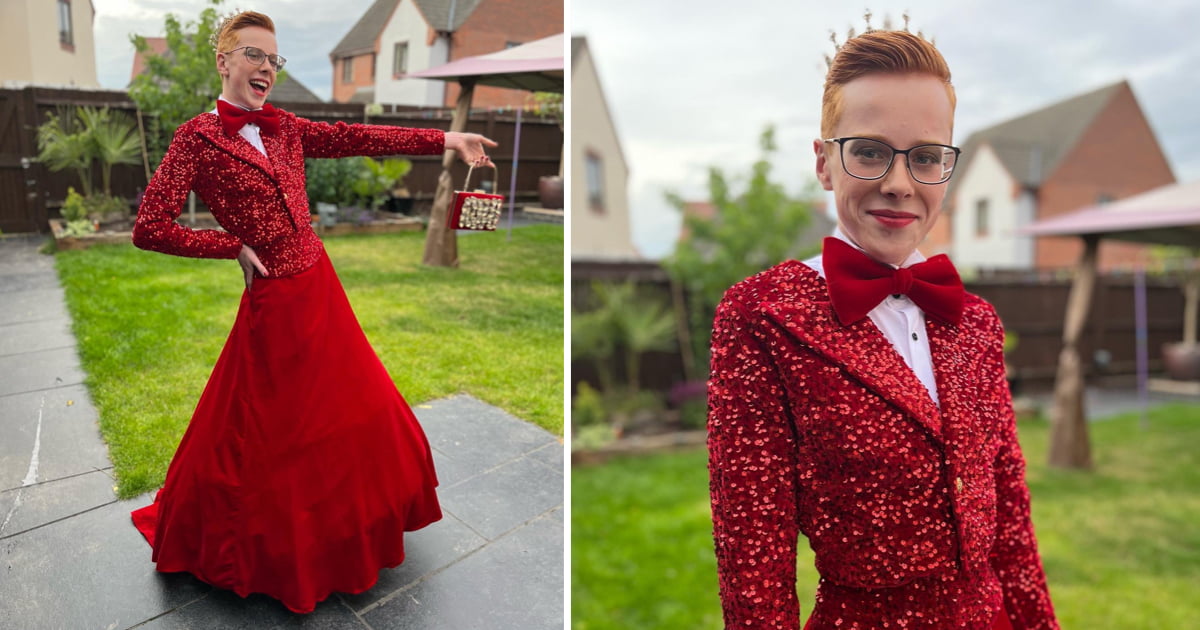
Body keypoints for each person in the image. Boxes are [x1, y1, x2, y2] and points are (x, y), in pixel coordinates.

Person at [129, 10, 496, 614]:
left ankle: (347, 533)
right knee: (277, 433)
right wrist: (230, 245)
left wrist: (447, 139)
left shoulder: (285, 129)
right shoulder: (195, 139)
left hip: (321, 285)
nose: (266, 69)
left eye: (274, 60)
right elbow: (149, 226)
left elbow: (361, 137)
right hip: (274, 301)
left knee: (357, 408)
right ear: (224, 61)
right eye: (254, 56)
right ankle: (279, 551)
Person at [706, 26, 1060, 630]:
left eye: (925, 157)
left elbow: (1010, 521)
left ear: (947, 170)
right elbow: (753, 553)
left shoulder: (975, 322)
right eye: (870, 151)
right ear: (824, 163)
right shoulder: (762, 315)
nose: (900, 182)